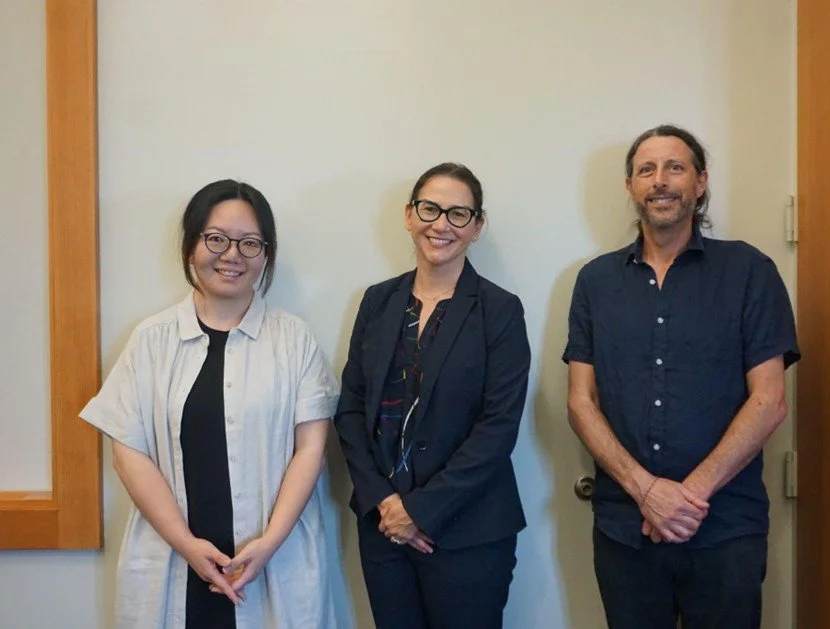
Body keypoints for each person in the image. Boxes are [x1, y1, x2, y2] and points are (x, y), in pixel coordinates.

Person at [564, 125, 801, 629]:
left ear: (700, 182)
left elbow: (770, 400)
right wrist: (647, 492)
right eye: (646, 170)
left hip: (724, 529)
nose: (661, 181)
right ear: (630, 188)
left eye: (675, 167)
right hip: (625, 528)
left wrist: (685, 497)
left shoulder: (750, 272)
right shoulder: (595, 281)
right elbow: (580, 402)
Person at [80, 180, 340, 629]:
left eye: (249, 242)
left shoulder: (293, 339)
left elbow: (311, 449)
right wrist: (186, 545)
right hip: (172, 558)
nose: (232, 254)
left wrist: (271, 541)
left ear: (266, 253)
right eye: (216, 238)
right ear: (190, 246)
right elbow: (128, 451)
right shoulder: (151, 340)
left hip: (272, 559)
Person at [334, 162, 530, 629]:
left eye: (458, 214)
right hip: (384, 531)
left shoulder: (500, 310)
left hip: (469, 534)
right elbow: (350, 410)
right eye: (430, 209)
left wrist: (419, 512)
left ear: (477, 227)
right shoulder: (377, 301)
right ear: (409, 215)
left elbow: (498, 428)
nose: (441, 224)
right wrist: (386, 504)